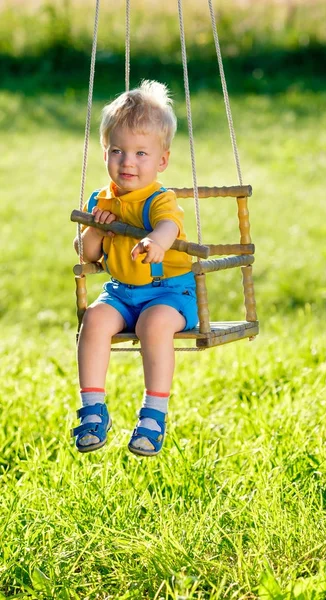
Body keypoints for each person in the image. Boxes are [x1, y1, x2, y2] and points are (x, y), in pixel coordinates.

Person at [71, 80, 198, 457]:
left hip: (169, 293)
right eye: (117, 151)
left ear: (161, 161)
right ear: (105, 153)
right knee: (93, 319)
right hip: (122, 292)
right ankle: (93, 409)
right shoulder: (102, 198)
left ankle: (154, 414)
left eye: (141, 153)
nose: (128, 162)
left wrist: (157, 242)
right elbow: (87, 253)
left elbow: (169, 225)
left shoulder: (160, 198)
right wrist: (96, 225)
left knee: (152, 325)